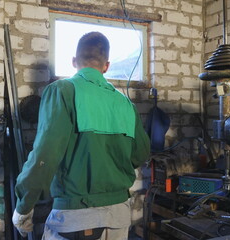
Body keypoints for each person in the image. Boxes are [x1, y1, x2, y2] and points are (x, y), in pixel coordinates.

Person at [12, 31, 151, 240]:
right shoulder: (125, 104)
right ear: (106, 66)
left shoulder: (62, 90)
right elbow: (140, 154)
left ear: (74, 61)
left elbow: (45, 155)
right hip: (119, 215)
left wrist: (24, 205)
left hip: (76, 216)